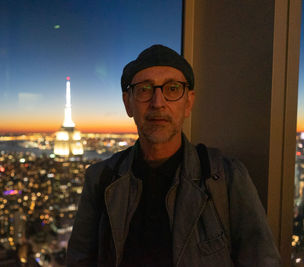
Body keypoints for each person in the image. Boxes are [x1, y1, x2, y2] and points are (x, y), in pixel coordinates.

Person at [66, 44, 281, 266]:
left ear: (188, 102)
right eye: (144, 89)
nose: (158, 103)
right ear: (128, 103)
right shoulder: (101, 179)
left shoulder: (225, 178)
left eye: (172, 89)